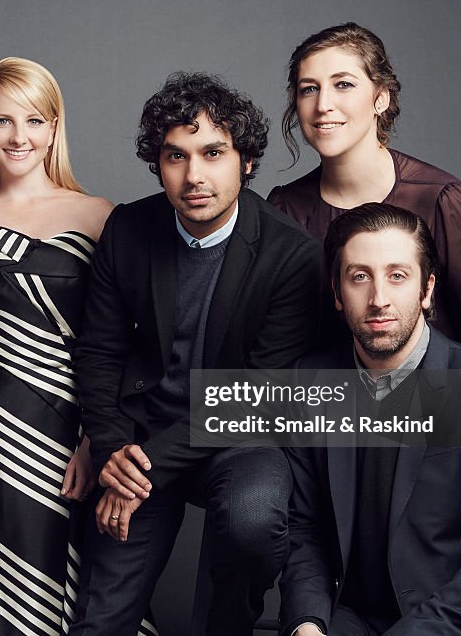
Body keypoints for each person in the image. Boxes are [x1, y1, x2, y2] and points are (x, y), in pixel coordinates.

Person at [70, 72, 322, 635]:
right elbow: (99, 353)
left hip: (237, 437)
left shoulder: (290, 256)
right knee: (101, 620)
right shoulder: (130, 229)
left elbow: (256, 394)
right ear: (157, 164)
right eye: (175, 157)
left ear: (246, 160)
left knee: (253, 521)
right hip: (141, 435)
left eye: (213, 153)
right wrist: (112, 448)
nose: (194, 176)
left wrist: (139, 474)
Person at [280, 203, 461, 636]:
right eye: (360, 276)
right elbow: (304, 531)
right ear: (338, 293)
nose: (379, 299)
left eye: (397, 276)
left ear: (427, 289)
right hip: (356, 618)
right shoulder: (309, 381)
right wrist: (307, 623)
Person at [0, 56, 111, 635]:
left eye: (34, 121)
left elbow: (119, 342)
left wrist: (96, 438)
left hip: (68, 421)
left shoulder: (101, 217)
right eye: (2, 121)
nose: (18, 137)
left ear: (55, 127)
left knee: (71, 569)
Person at [268, 22, 461, 362]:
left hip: (433, 411)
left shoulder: (447, 204)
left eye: (343, 85)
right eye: (309, 89)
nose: (323, 104)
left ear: (381, 97)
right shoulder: (285, 208)